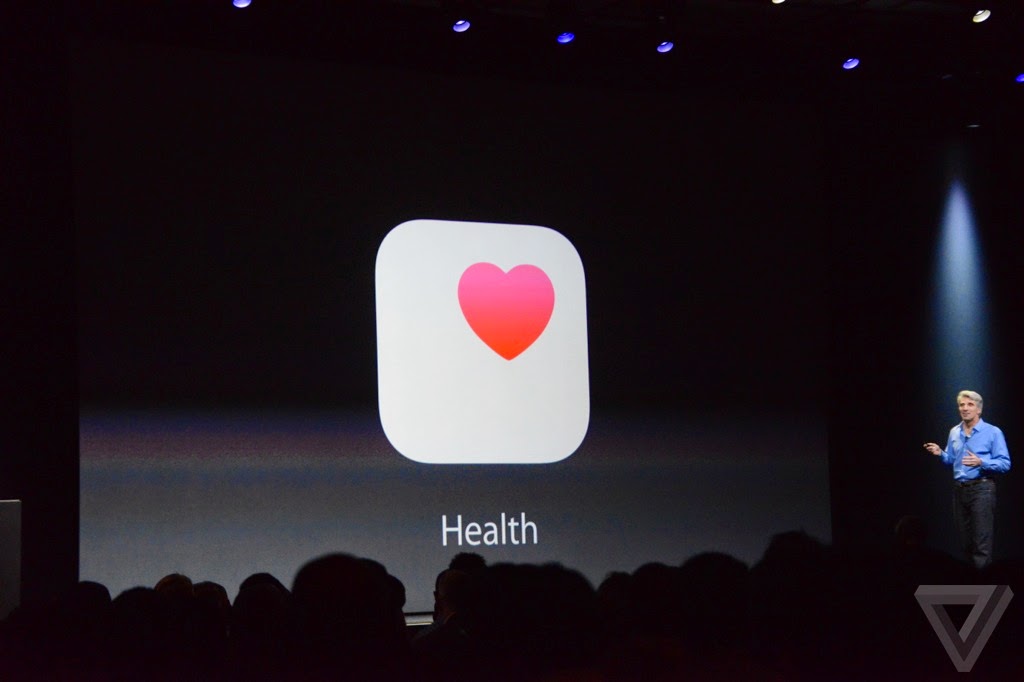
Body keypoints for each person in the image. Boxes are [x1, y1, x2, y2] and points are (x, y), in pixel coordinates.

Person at [923, 389, 1011, 569]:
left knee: (981, 542)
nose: (965, 408)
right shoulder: (954, 432)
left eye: (970, 404)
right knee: (965, 542)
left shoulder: (993, 432)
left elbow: (1004, 463)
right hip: (960, 489)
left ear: (979, 409)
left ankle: (983, 582)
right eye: (961, 405)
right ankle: (970, 579)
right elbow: (951, 460)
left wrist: (982, 462)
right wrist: (941, 453)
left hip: (982, 489)